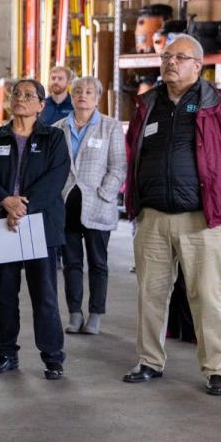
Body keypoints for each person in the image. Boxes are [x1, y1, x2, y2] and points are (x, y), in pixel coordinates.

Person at [123, 34, 221, 396]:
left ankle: (216, 368)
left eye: (179, 58)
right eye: (166, 57)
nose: (170, 63)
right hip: (152, 218)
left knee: (207, 296)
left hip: (202, 220)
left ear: (198, 66)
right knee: (150, 293)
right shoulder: (148, 105)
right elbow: (133, 151)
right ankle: (150, 360)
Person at [0, 78, 70, 380]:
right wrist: (5, 202)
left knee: (45, 294)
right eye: (17, 94)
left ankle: (52, 357)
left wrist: (21, 207)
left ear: (42, 105)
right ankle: (5, 353)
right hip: (3, 223)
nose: (21, 99)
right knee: (4, 293)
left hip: (39, 224)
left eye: (30, 95)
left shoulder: (53, 138)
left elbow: (56, 178)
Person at [54, 77, 126, 335]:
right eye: (77, 92)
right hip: (65, 207)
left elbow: (118, 166)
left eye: (88, 92)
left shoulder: (110, 127)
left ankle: (96, 314)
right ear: (71, 97)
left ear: (97, 97)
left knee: (98, 262)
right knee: (71, 263)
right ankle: (75, 314)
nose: (82, 95)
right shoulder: (58, 128)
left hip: (97, 204)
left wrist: (105, 193)